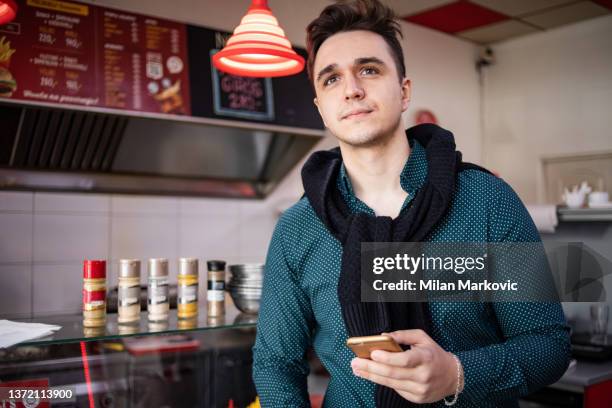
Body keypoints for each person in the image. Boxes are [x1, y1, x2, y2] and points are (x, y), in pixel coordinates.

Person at [252, 0, 571, 407]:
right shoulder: (298, 228)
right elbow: (275, 363)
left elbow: (547, 343)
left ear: (403, 91)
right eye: (331, 79)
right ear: (320, 109)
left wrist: (458, 373)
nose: (352, 89)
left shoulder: (487, 200)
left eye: (369, 69)